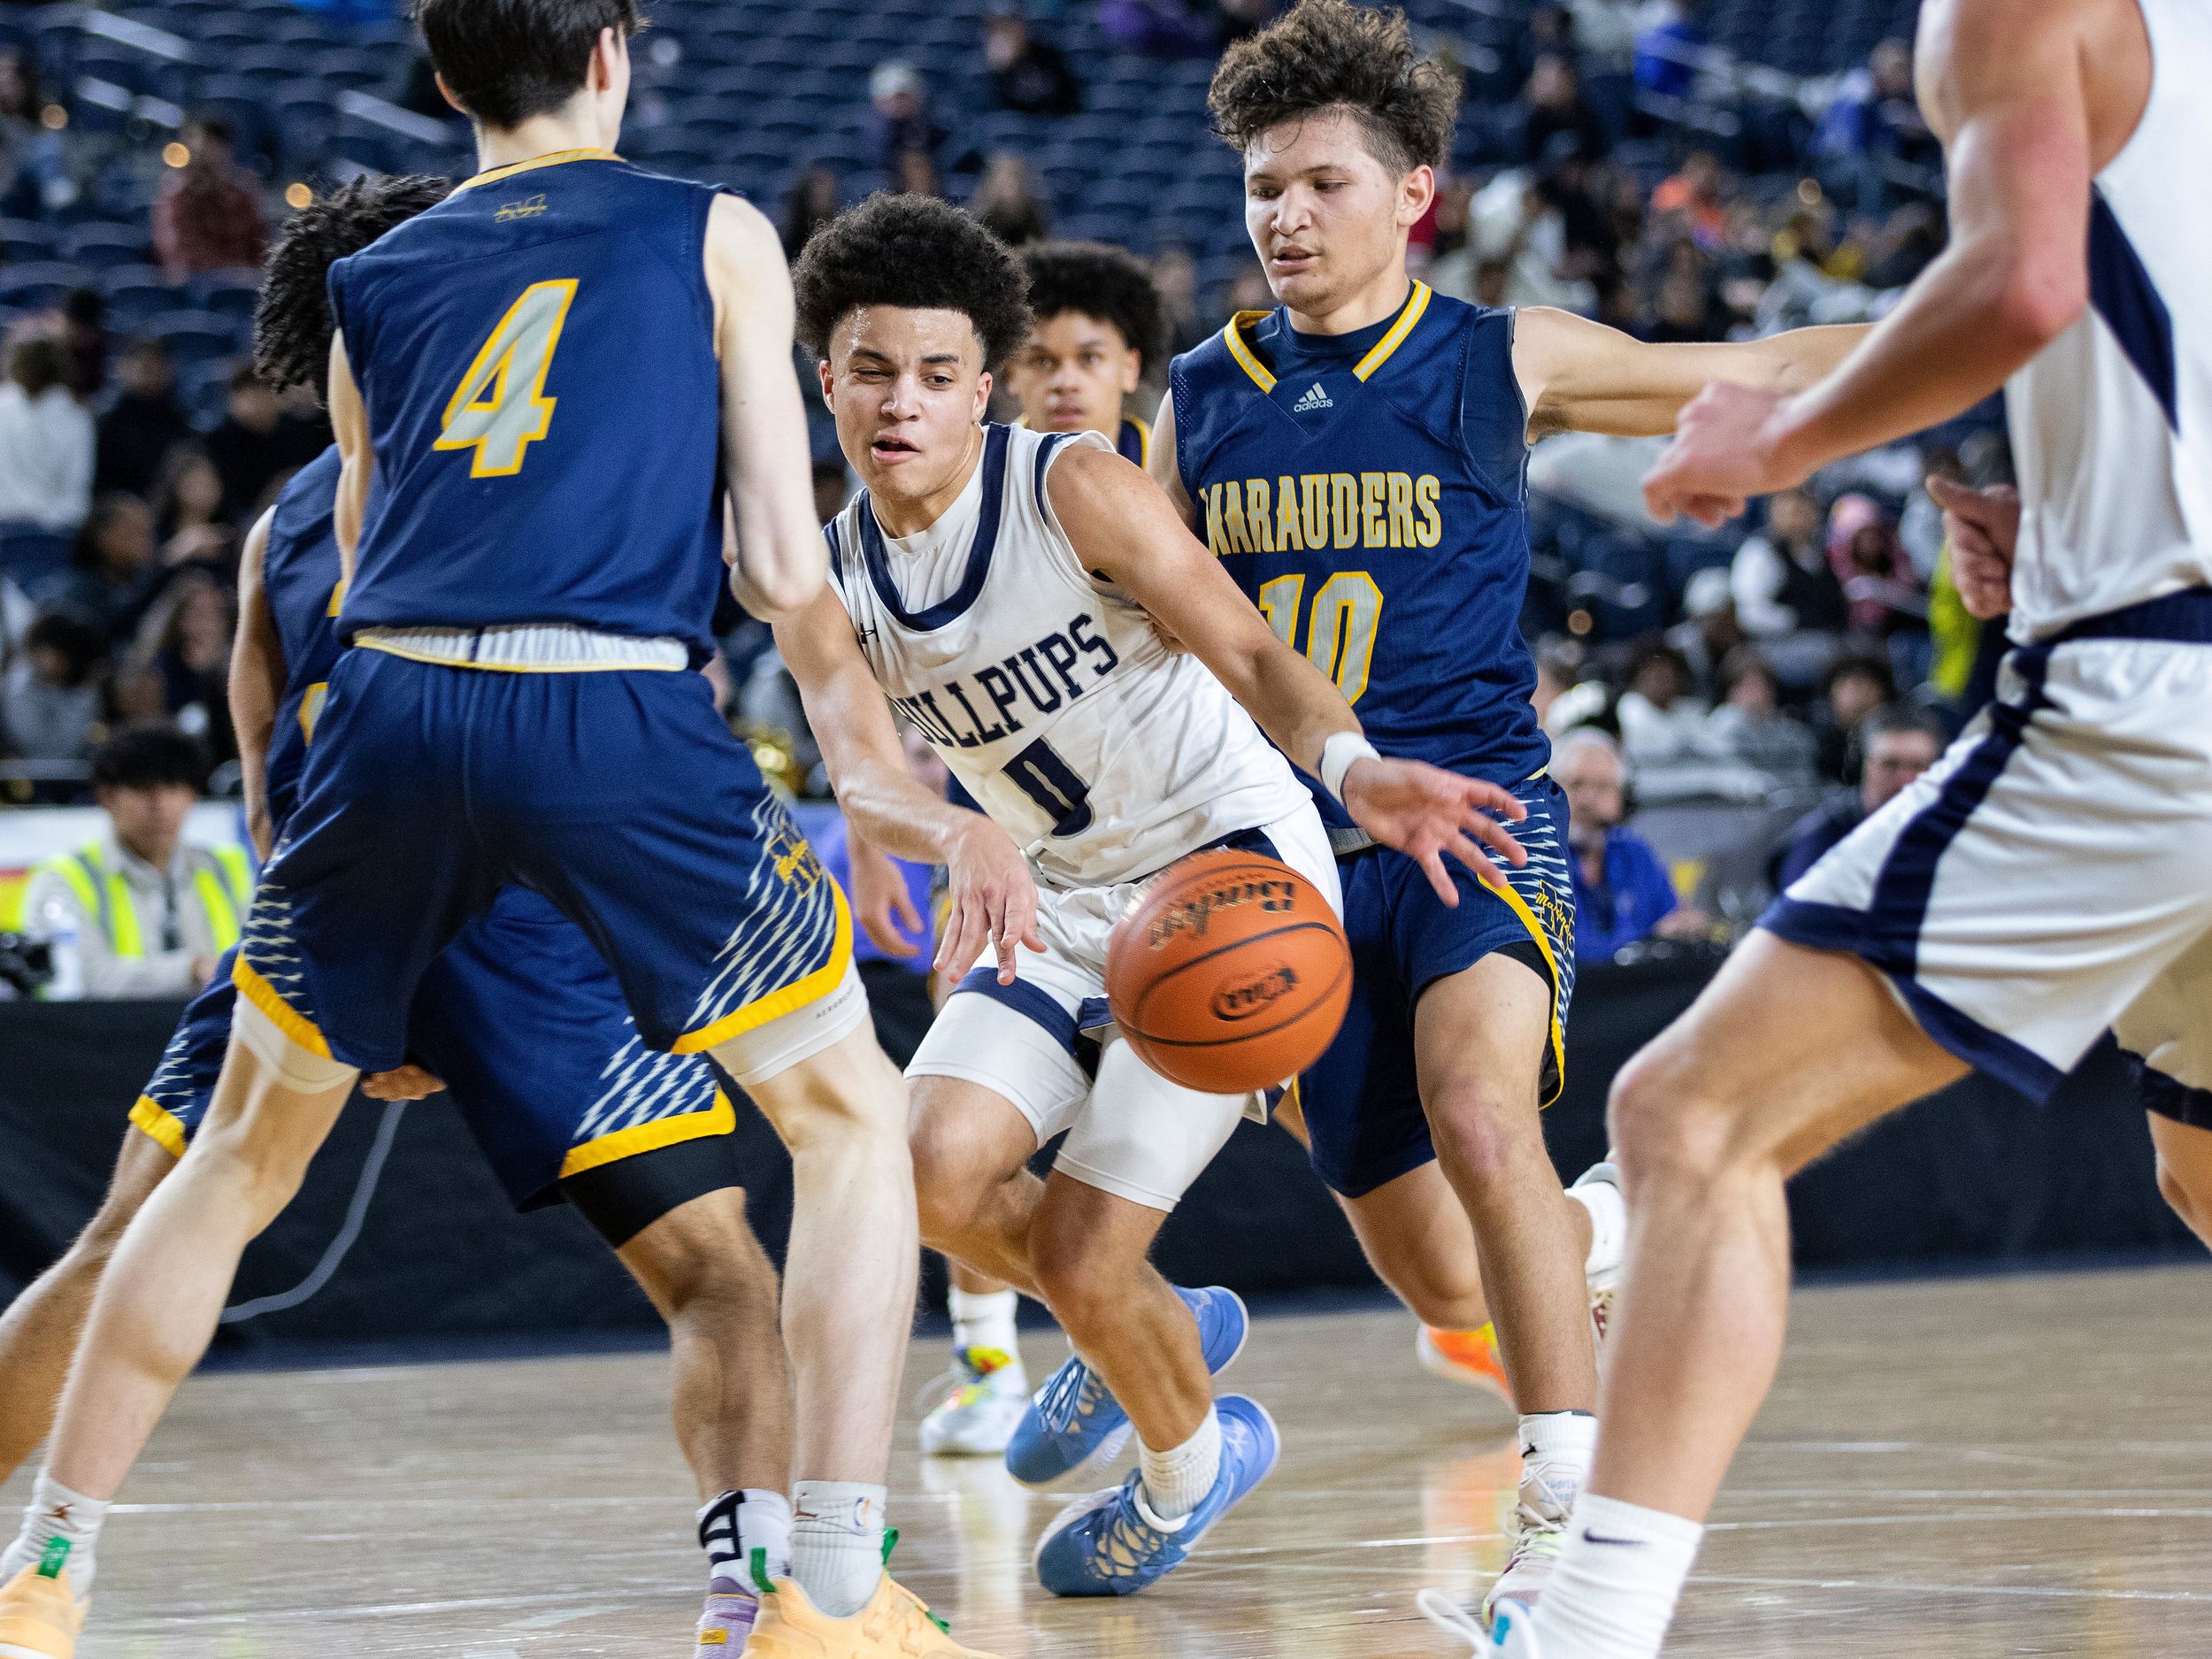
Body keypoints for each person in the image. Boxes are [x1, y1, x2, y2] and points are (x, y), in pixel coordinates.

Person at [0, 5, 978, 1655]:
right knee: (843, 1118)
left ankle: (45, 1575)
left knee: (229, 1166)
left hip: (383, 726)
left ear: (444, 81)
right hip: (602, 709)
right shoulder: (711, 228)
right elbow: (779, 566)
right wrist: (877, 775)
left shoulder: (371, 290)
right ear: (613, 52)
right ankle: (826, 1589)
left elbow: (370, 561)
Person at [1460, 2, 2212, 1655]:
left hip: (2165, 705)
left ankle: (1585, 1625)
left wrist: (1781, 437)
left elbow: (2017, 282)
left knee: (1684, 1121)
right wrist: (2074, 502)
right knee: (2206, 1156)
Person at [1153, 0, 1862, 1618]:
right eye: (1265, 186)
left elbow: (1742, 373)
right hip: (1293, 862)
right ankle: (1592, 1240)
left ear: (1414, 195)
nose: (1286, 216)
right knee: (1446, 1268)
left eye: (1323, 182)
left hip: (1475, 817)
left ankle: (1566, 1525)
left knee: (1485, 1111)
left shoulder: (1501, 356)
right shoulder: (1195, 398)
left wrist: (1939, 333)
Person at [779, 190, 1521, 1597]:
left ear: (978, 390)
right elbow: (863, 774)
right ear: (828, 378)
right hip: (1051, 893)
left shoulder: (1069, 486)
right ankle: (1152, 1326)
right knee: (919, 1173)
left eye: (938, 375)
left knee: (1076, 1243)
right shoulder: (828, 574)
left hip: (1226, 877)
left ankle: (1187, 1465)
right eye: (872, 369)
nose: (902, 402)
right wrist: (955, 836)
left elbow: (1245, 648)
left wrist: (1355, 771)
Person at [8, 723, 251, 999]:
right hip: (105, 1038)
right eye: (142, 788)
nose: (159, 803)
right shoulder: (64, 877)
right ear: (106, 797)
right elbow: (79, 979)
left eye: (173, 787)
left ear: (192, 796)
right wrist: (192, 970)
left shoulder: (230, 867)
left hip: (218, 1034)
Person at [1005, 239, 1165, 467]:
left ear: (1130, 368)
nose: (1066, 383)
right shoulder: (976, 476)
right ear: (1011, 373)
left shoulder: (1178, 476)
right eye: (1042, 361)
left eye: (1089, 358)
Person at [1555, 728, 1701, 962]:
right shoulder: (1540, 856)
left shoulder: (1636, 853)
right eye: (1576, 785)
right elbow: (1567, 952)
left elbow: (1672, 923)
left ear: (1621, 798)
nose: (1587, 799)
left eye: (1602, 787)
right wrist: (1648, 941)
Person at [1770, 702, 1944, 888]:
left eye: (1918, 766)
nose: (1906, 780)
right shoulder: (1821, 839)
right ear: (1860, 766)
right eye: (1890, 765)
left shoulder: (1953, 832)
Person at [150, 115, 268, 280]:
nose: (203, 154)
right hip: (194, 283)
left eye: (212, 146)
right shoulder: (178, 192)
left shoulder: (243, 194)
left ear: (226, 150)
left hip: (241, 282)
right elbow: (176, 249)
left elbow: (258, 246)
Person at [0, 336, 93, 537]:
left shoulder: (76, 418)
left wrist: (44, 520)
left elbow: (76, 493)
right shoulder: (3, 407)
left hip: (55, 533)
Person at [92, 341, 194, 501]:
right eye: (145, 366)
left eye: (158, 365)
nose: (151, 373)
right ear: (124, 368)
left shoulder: (179, 422)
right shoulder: (106, 421)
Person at [982, 7, 1082, 117]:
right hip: (1015, 126)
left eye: (1011, 24)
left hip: (1053, 122)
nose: (1009, 31)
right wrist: (999, 70)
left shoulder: (1047, 54)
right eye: (1001, 27)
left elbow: (1068, 99)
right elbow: (995, 114)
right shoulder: (989, 67)